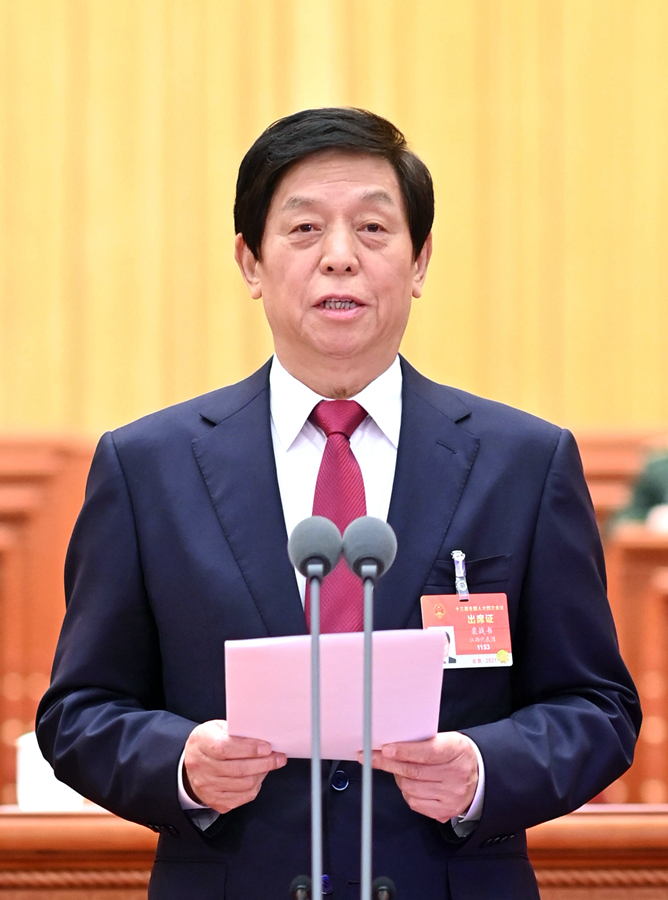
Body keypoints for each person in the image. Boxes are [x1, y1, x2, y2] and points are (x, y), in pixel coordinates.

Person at [36, 108, 640, 900]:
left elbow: (597, 708)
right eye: (304, 229)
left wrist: (483, 770)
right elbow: (79, 713)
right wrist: (181, 763)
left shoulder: (524, 462)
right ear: (250, 263)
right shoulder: (148, 466)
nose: (340, 257)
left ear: (420, 261)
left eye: (374, 228)